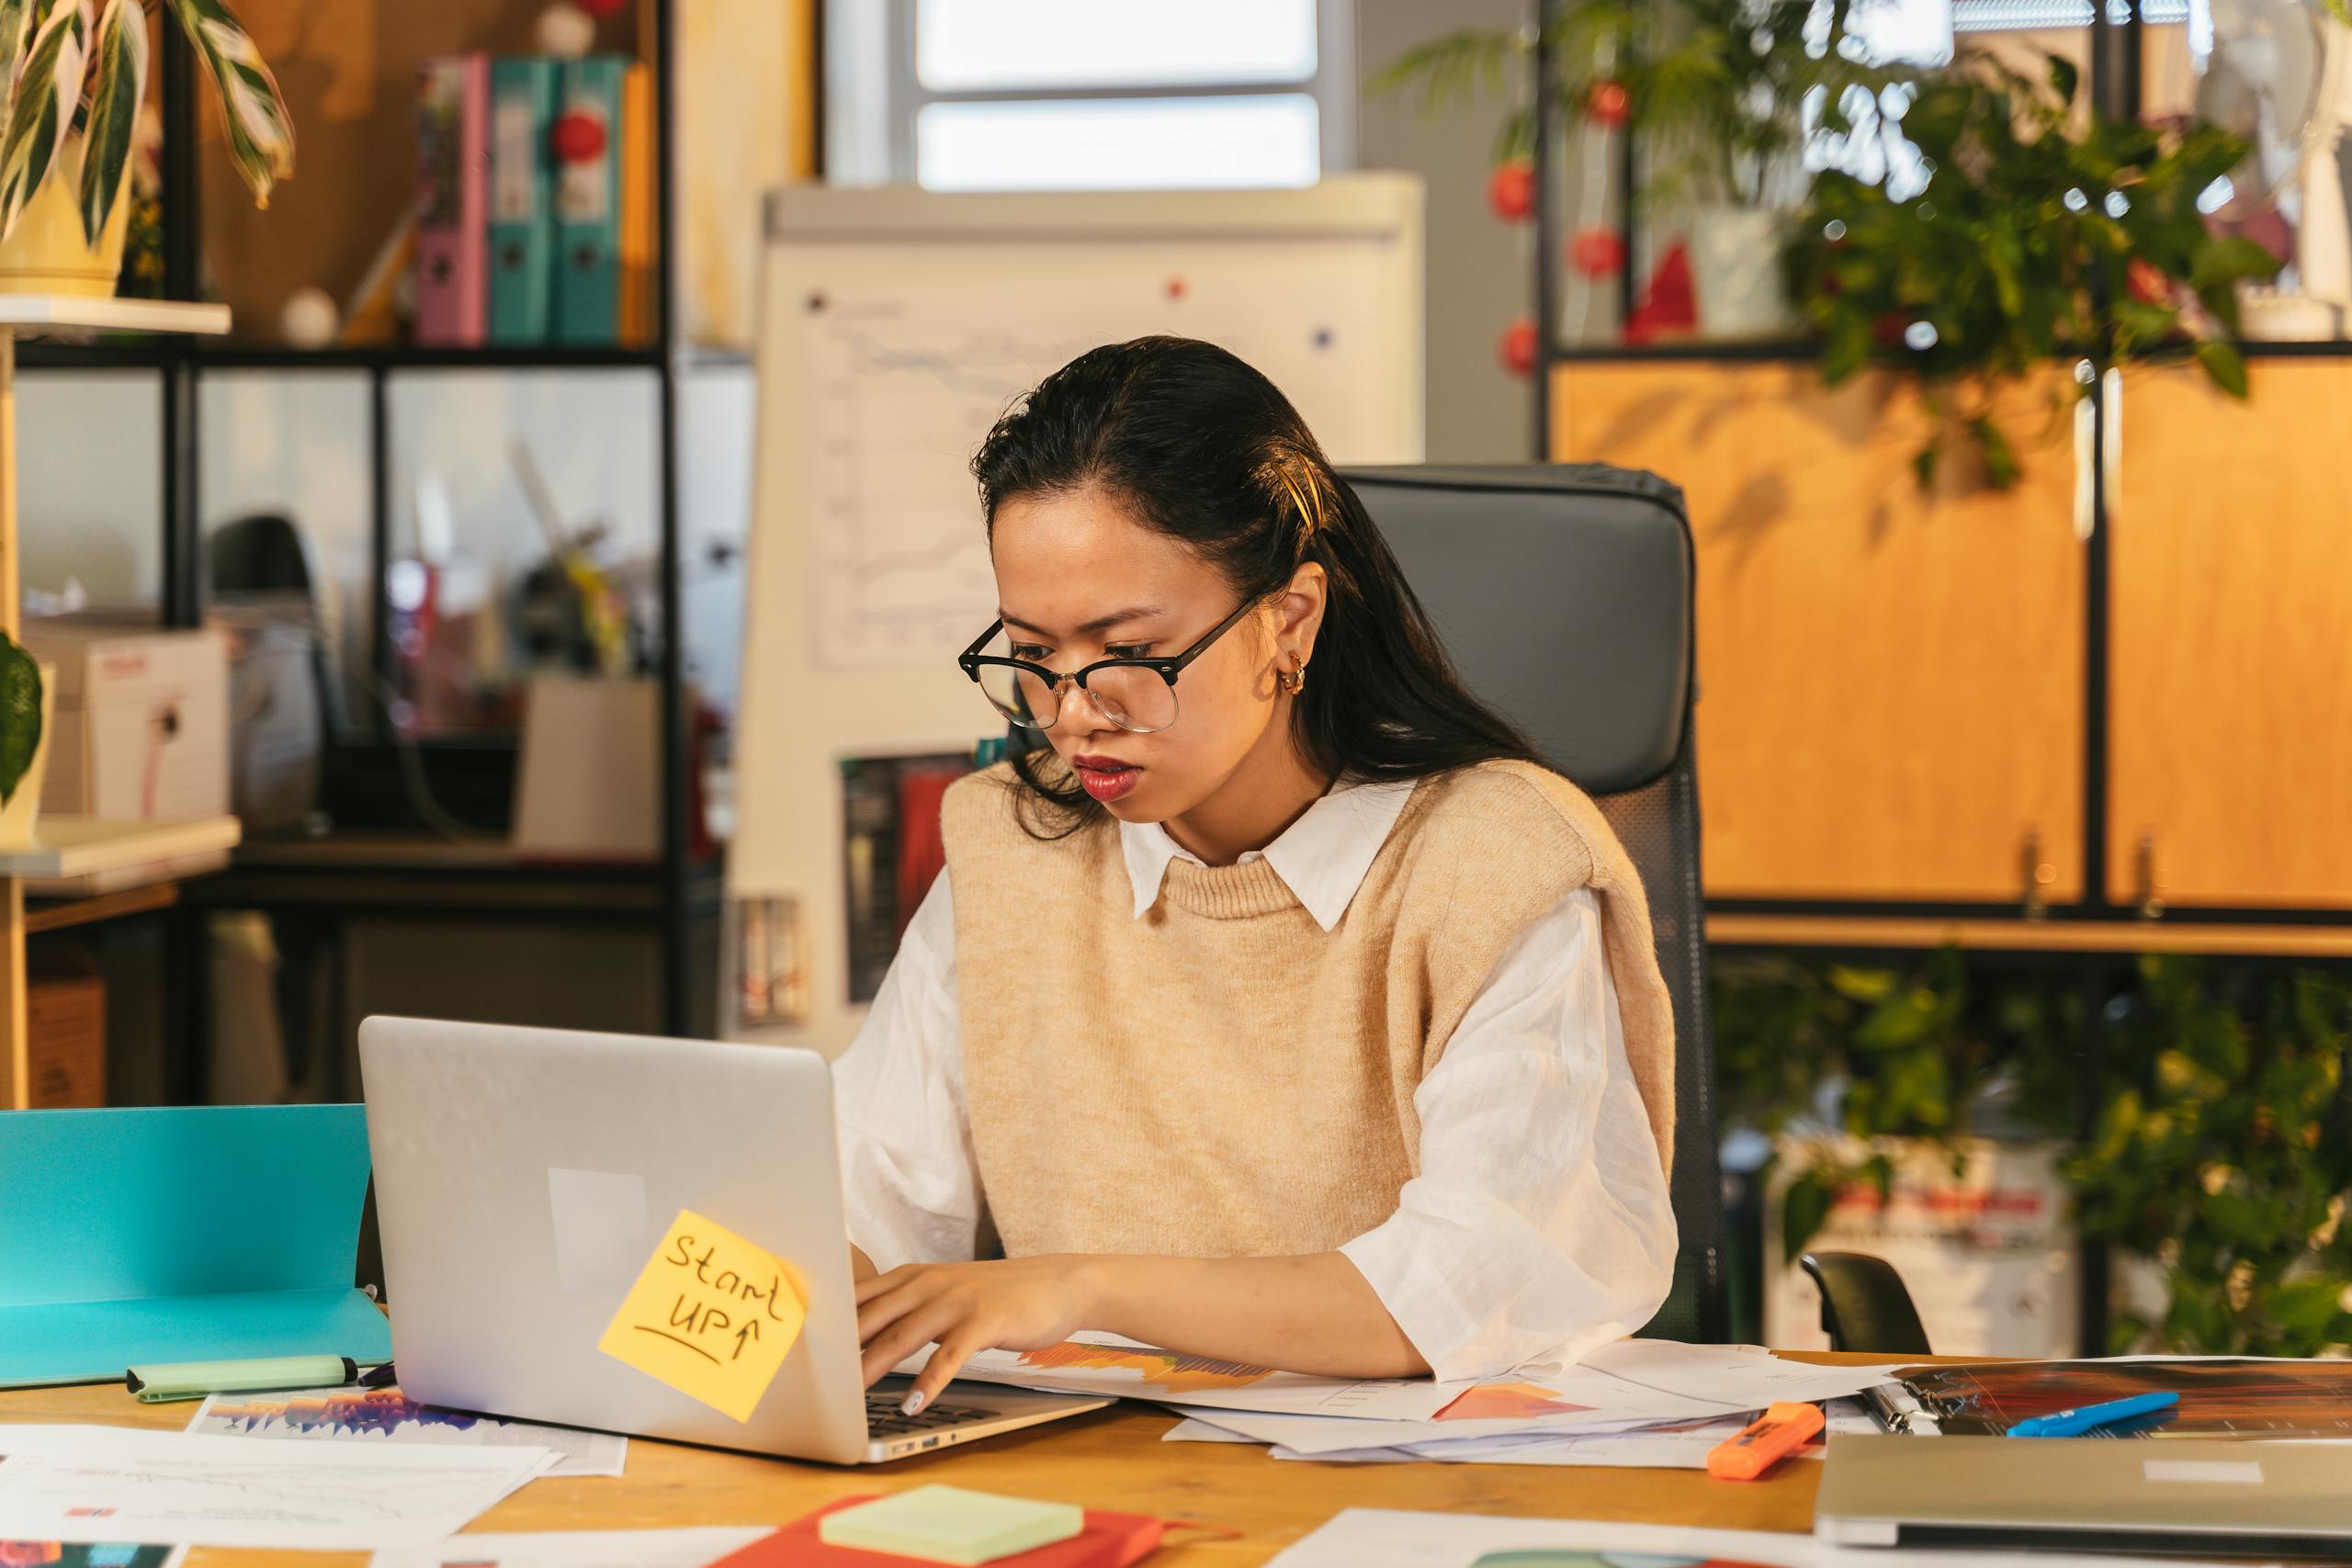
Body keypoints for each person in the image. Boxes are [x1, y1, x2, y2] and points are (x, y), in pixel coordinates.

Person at [835, 335, 1678, 1416]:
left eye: (1126, 650)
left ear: (1290, 618)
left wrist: (1080, 1285)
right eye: (1032, 654)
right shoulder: (1010, 850)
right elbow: (862, 1203)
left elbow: (1483, 1277)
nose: (1073, 711)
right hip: (1091, 1487)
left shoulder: (1494, 864)